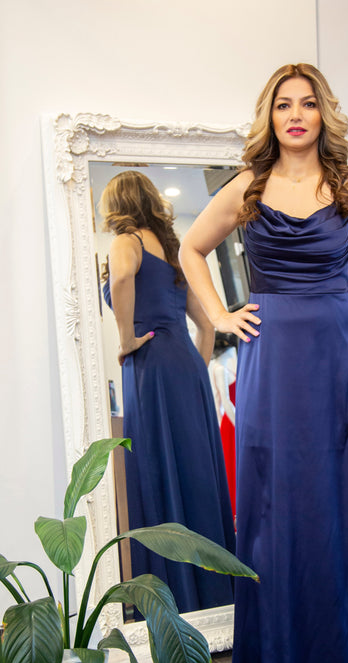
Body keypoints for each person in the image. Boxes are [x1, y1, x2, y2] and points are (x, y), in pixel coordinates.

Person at [179, 63, 348, 663]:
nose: (295, 114)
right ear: (269, 116)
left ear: (322, 113)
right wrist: (219, 316)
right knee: (276, 513)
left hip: (339, 359)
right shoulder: (248, 186)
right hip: (272, 362)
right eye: (283, 104)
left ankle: (341, 658)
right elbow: (190, 249)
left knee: (339, 504)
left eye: (307, 103)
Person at [100, 170, 235, 614]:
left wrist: (124, 340)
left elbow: (121, 280)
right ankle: (214, 591)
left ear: (117, 203)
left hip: (151, 365)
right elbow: (206, 321)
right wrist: (195, 367)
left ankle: (171, 599)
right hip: (183, 365)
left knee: (158, 467)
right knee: (195, 470)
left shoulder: (127, 240)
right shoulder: (174, 251)